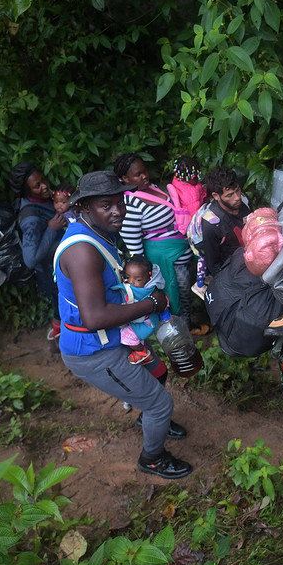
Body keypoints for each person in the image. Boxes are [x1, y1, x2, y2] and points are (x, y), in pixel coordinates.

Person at [54, 170, 191, 479]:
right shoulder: (82, 251)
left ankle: (149, 419)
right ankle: (152, 458)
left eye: (120, 202)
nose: (118, 211)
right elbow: (94, 318)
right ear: (84, 207)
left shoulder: (98, 231)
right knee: (160, 404)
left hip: (117, 334)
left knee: (158, 372)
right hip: (94, 349)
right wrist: (152, 303)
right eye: (107, 205)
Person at [114, 153, 194, 322]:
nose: (144, 176)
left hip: (181, 251)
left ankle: (187, 324)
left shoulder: (152, 187)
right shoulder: (129, 204)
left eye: (144, 171)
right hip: (165, 259)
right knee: (178, 294)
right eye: (138, 174)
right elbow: (135, 249)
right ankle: (181, 329)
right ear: (125, 179)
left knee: (186, 292)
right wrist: (147, 275)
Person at [11, 162, 67, 340]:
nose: (44, 186)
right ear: (27, 191)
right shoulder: (31, 220)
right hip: (49, 273)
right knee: (60, 307)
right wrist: (51, 229)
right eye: (37, 186)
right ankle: (57, 339)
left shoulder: (42, 200)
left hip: (59, 266)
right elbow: (30, 259)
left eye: (43, 180)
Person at [195, 165, 250, 276]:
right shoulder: (211, 225)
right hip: (231, 268)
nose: (237, 197)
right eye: (230, 195)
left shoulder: (244, 200)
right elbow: (214, 266)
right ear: (216, 196)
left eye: (237, 190)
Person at [118, 255, 164, 365]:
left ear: (148, 278)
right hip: (144, 321)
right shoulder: (140, 286)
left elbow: (138, 316)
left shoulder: (143, 292)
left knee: (126, 336)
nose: (131, 282)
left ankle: (142, 352)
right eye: (127, 277)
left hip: (144, 323)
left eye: (138, 279)